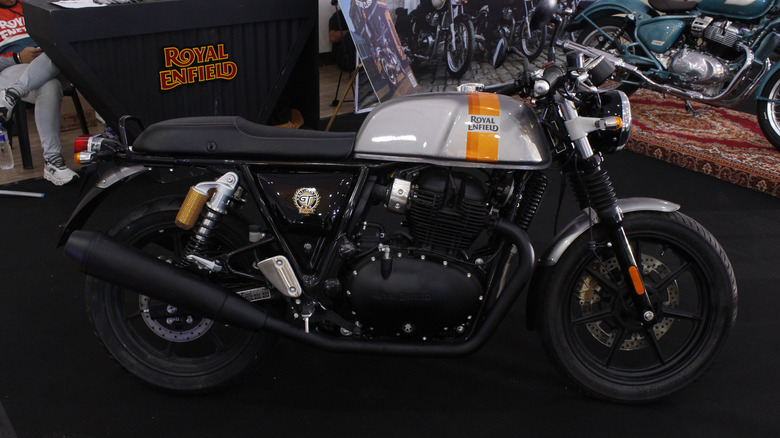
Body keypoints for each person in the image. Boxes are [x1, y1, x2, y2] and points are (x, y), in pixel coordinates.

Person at [0, 0, 78, 185]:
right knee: (49, 86)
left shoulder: (32, 6)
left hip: (52, 65)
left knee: (58, 49)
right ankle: (53, 161)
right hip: (15, 70)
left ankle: (10, 96)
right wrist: (17, 57)